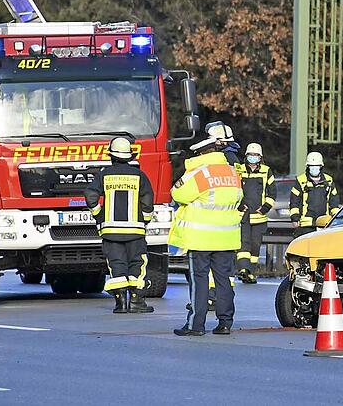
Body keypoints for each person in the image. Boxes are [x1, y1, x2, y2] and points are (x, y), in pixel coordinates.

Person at [170, 125, 243, 336]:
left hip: (200, 238)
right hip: (227, 237)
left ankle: (195, 325)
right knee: (223, 281)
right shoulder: (231, 172)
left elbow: (178, 195)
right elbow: (238, 198)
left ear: (204, 152)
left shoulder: (199, 173)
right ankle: (225, 323)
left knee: (199, 282)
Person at [84, 137, 155, 314]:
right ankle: (137, 302)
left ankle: (120, 303)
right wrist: (145, 220)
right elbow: (147, 201)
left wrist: (98, 214)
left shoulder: (104, 174)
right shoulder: (140, 176)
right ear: (129, 156)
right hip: (136, 231)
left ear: (112, 156)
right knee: (137, 264)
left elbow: (90, 194)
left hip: (110, 231)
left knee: (117, 264)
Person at [235, 143, 276, 284]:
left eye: (256, 155)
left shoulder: (266, 171)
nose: (253, 158)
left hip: (259, 217)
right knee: (243, 244)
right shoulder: (239, 170)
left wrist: (265, 208)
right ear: (246, 156)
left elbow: (272, 193)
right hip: (244, 215)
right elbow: (234, 189)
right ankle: (243, 269)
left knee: (255, 245)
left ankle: (250, 272)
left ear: (260, 157)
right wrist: (240, 205)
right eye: (251, 155)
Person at [289, 152, 340, 238]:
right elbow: (294, 201)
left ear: (321, 166)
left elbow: (334, 201)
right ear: (308, 167)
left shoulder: (328, 181)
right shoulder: (301, 180)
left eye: (316, 166)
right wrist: (295, 218)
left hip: (324, 224)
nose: (314, 168)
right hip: (305, 225)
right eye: (312, 166)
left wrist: (335, 219)